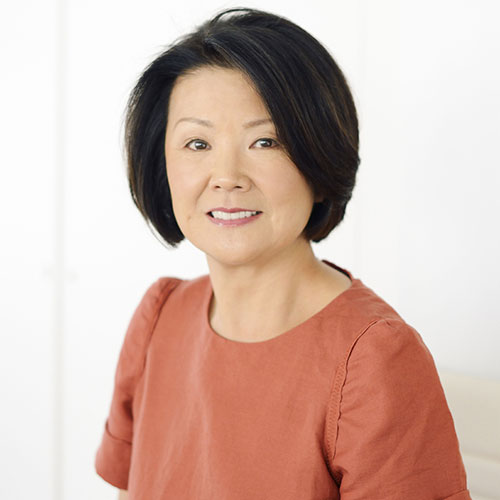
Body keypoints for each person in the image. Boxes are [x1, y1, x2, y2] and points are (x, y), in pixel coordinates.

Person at [94, 7, 471, 500]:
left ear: (319, 160)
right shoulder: (159, 317)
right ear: (161, 166)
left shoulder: (375, 359)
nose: (226, 175)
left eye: (265, 140)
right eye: (197, 142)